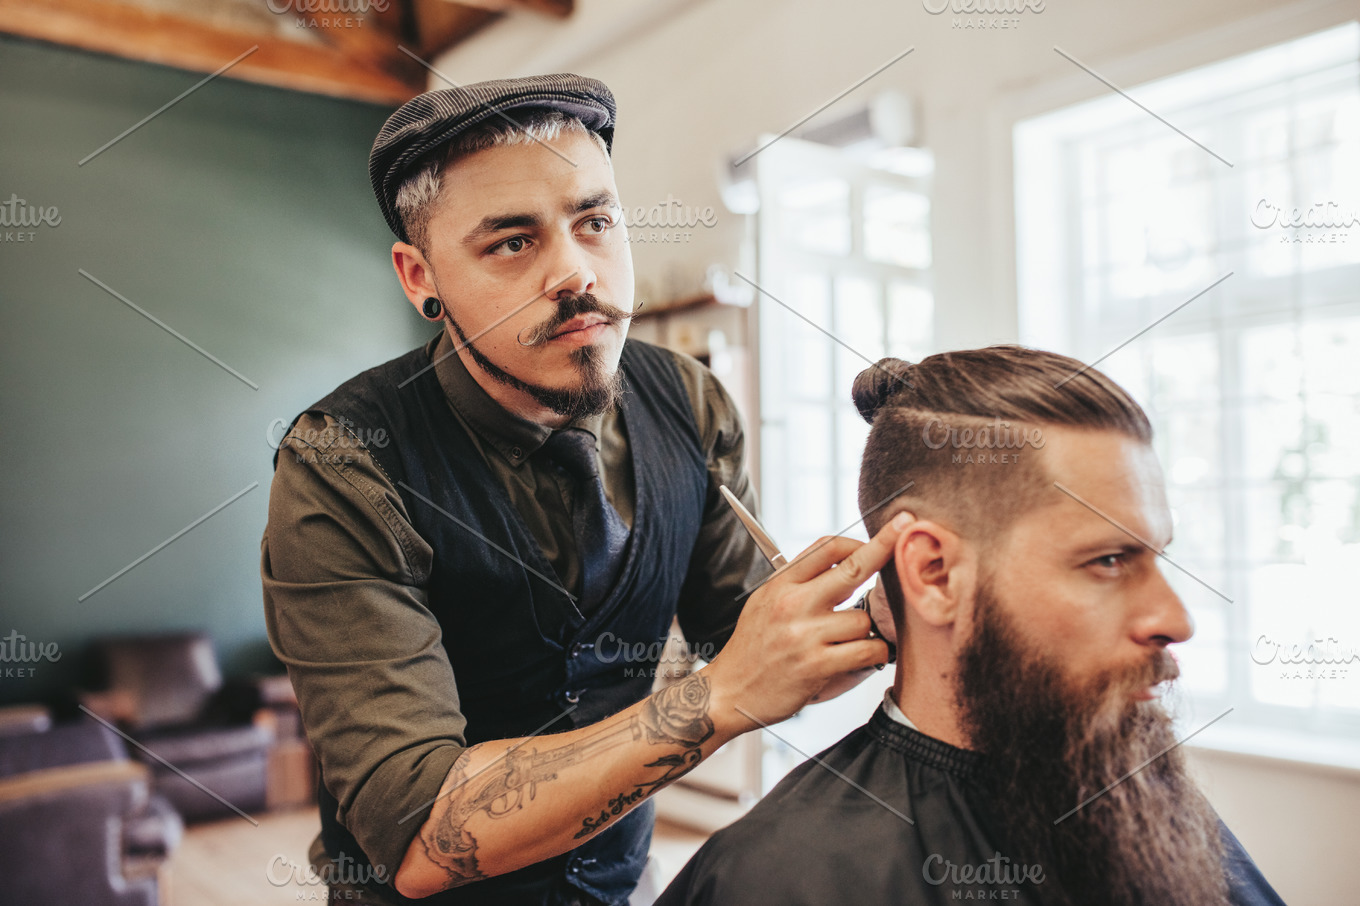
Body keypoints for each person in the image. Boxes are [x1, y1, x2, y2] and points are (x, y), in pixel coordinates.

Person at [260, 74, 901, 906]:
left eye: (595, 222)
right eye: (513, 243)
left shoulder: (690, 405)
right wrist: (725, 695)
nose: (575, 272)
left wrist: (889, 613)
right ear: (420, 276)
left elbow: (741, 631)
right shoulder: (345, 463)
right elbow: (421, 833)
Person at [656, 347, 1286, 906]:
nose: (1176, 620)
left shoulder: (1134, 801)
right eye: (1109, 561)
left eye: (1156, 557)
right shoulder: (774, 876)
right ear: (933, 573)